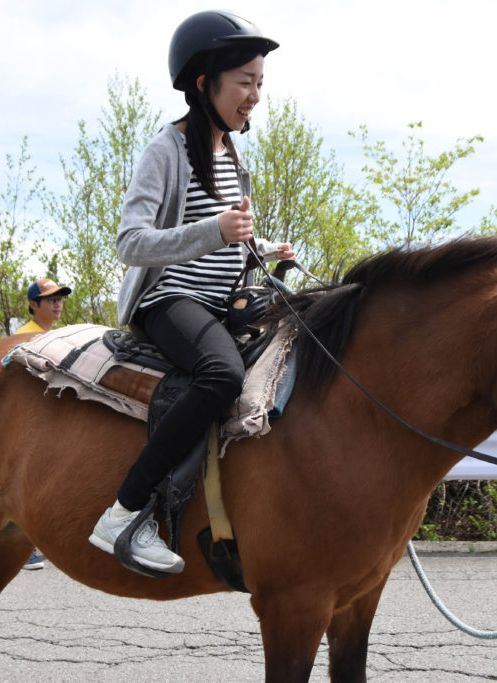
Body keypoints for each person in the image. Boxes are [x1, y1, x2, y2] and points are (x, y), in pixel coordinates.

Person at [88, 10, 294, 575]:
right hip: (168, 303)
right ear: (203, 83)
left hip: (220, 302)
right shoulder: (166, 150)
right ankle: (125, 512)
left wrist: (268, 248)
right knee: (222, 376)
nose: (254, 95)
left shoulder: (231, 151)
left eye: (260, 83)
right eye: (244, 82)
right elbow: (130, 242)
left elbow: (230, 236)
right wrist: (213, 231)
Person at [15, 277, 72, 569]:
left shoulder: (49, 333)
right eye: (50, 299)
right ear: (33, 305)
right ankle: (25, 549)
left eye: (59, 298)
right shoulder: (27, 337)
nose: (57, 303)